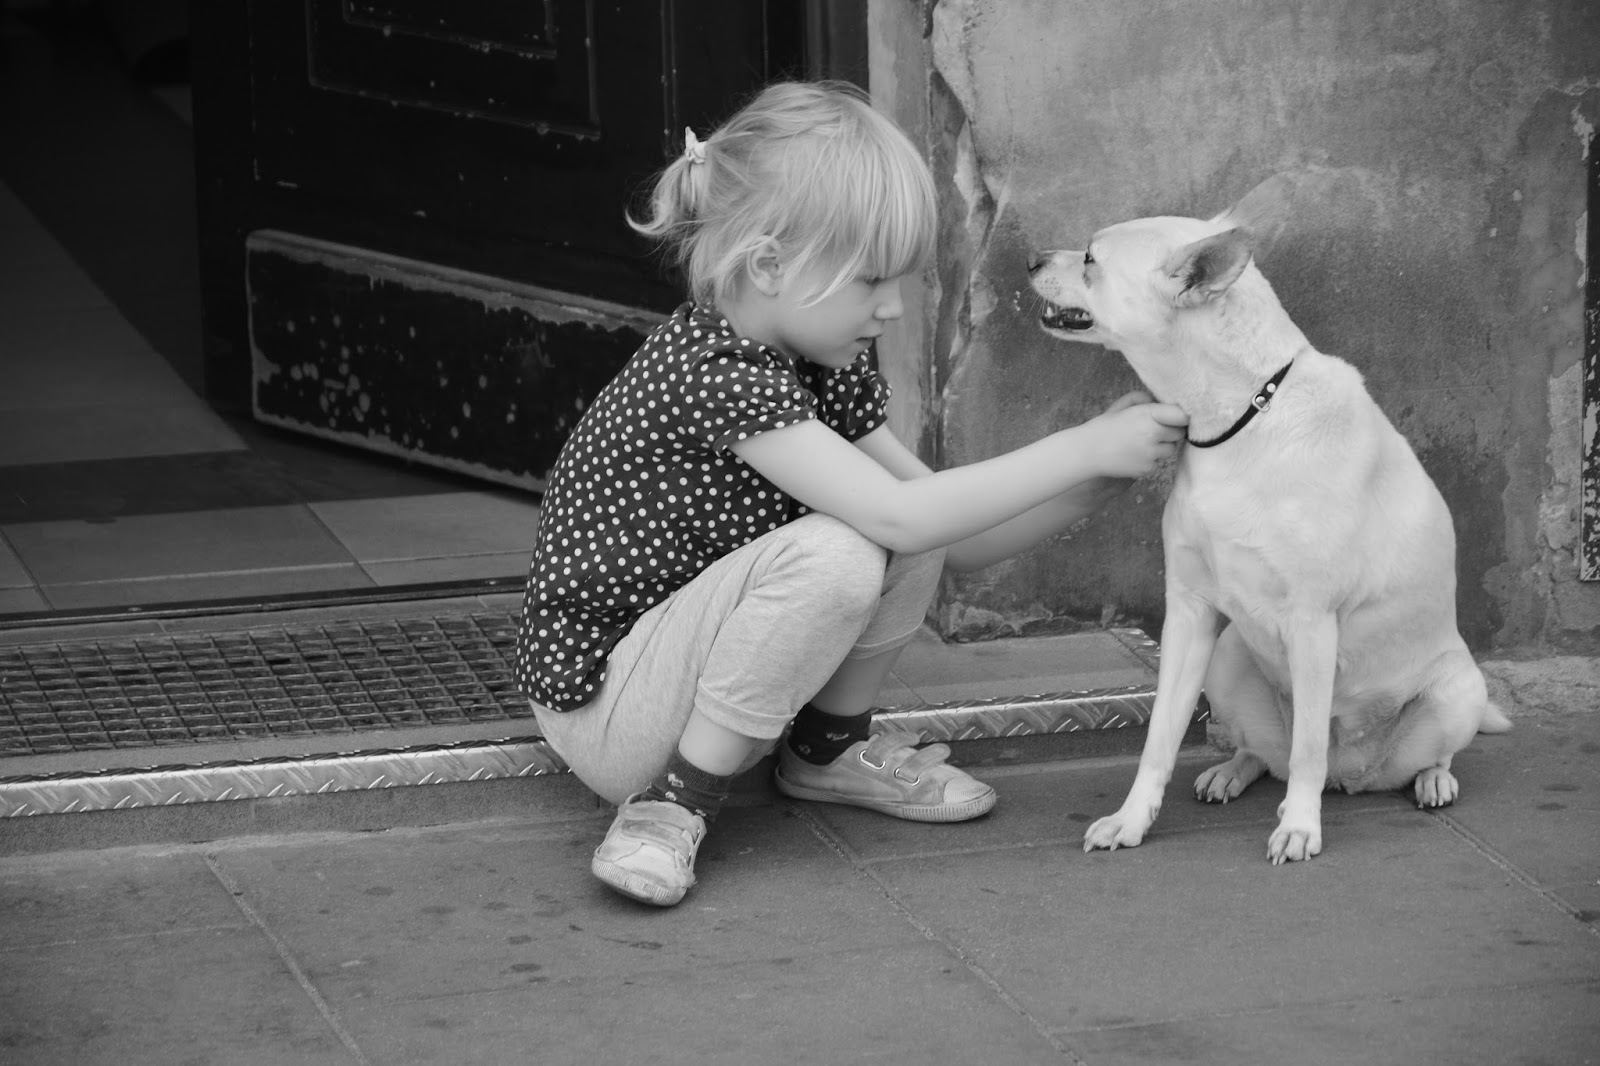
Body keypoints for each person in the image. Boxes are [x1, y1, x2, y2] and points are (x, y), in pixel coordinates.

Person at [513, 80, 1187, 907]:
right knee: (840, 548)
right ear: (768, 264)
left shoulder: (819, 359)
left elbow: (942, 531)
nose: (895, 308)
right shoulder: (712, 370)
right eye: (871, 280)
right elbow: (898, 516)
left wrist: (1092, 483)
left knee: (884, 526)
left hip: (694, 678)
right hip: (613, 710)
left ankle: (826, 751)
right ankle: (671, 803)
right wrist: (1077, 444)